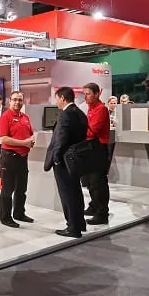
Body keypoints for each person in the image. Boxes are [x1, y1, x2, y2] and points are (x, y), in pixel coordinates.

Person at [44, 86, 88, 239]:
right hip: (76, 159)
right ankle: (80, 223)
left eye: (56, 98)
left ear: (62, 98)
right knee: (76, 192)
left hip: (64, 161)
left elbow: (61, 139)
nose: (56, 101)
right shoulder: (80, 113)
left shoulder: (65, 114)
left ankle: (73, 228)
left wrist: (56, 158)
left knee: (68, 194)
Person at [0, 91, 35, 228]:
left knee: (21, 188)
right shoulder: (5, 117)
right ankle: (5, 217)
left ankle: (19, 213)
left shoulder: (25, 117)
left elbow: (31, 133)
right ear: (9, 101)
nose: (17, 102)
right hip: (9, 157)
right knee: (8, 189)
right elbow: (4, 138)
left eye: (20, 100)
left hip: (23, 158)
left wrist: (31, 140)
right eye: (14, 100)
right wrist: (24, 143)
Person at [81, 83, 111, 225]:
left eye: (88, 94)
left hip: (98, 148)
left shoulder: (101, 109)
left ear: (97, 94)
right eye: (84, 94)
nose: (85, 97)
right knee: (90, 182)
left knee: (98, 182)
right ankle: (94, 206)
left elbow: (92, 131)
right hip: (90, 148)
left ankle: (102, 213)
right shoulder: (91, 109)